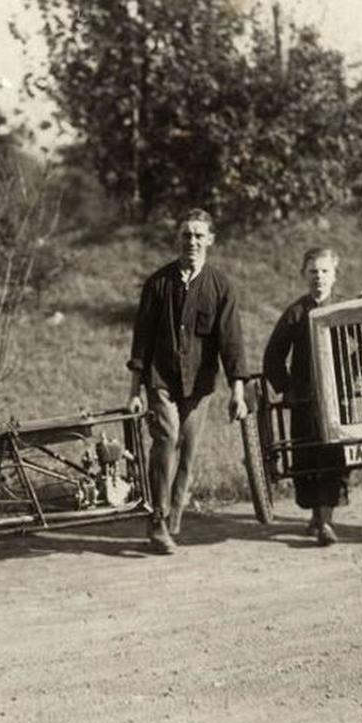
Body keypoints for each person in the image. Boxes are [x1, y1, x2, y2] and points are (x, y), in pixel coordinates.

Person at [127, 208, 248, 554]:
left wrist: (237, 392)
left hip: (199, 384)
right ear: (177, 238)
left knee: (188, 451)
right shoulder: (157, 284)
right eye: (186, 235)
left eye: (198, 235)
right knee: (166, 439)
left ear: (210, 240)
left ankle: (172, 519)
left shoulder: (221, 286)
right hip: (161, 379)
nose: (192, 241)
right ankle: (158, 520)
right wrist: (134, 391)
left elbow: (231, 342)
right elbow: (142, 341)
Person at [263, 247, 349, 546]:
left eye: (325, 271)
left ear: (335, 276)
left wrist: (351, 373)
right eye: (313, 271)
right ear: (304, 275)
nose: (319, 278)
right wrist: (287, 387)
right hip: (305, 399)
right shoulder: (296, 312)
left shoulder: (344, 309)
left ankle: (325, 521)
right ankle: (317, 515)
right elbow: (273, 355)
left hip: (337, 399)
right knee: (307, 458)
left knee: (333, 457)